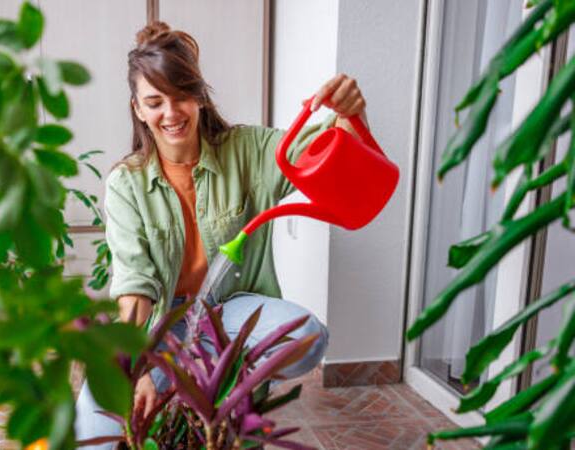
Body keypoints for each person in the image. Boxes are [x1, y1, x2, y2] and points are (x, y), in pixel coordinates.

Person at [75, 21, 369, 447]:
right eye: (155, 102)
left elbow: (328, 154)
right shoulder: (127, 183)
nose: (171, 113)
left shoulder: (248, 150)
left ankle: (208, 391)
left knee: (308, 336)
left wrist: (349, 114)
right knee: (96, 426)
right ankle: (187, 388)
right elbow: (135, 284)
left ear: (198, 96)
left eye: (180, 97)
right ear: (138, 108)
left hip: (231, 313)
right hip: (164, 326)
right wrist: (134, 369)